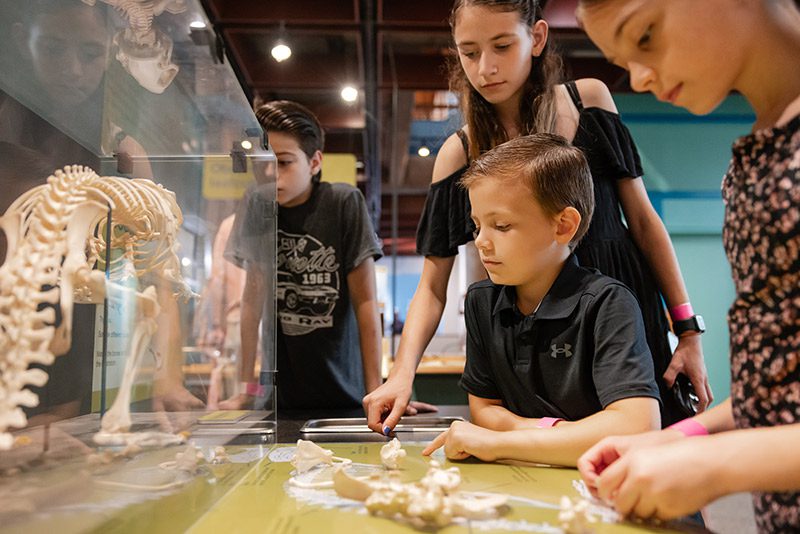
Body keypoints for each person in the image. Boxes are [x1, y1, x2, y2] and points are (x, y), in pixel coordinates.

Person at [363, 0, 710, 435]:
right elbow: (432, 284)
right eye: (469, 53)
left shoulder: (590, 101)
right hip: (532, 330)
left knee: (653, 453)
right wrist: (400, 374)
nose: (486, 67)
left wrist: (688, 330)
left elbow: (642, 221)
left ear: (538, 38)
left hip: (624, 302)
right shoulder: (459, 152)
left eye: (503, 45)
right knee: (544, 454)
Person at [573, 0, 800, 530]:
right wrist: (675, 437)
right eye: (624, 61)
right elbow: (780, 390)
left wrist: (716, 463)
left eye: (646, 36)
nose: (643, 77)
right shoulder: (756, 153)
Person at [421, 133, 661, 466]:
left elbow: (638, 426)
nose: (481, 242)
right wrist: (557, 434)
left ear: (563, 226)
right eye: (477, 226)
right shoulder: (481, 302)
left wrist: (505, 442)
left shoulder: (607, 303)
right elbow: (484, 407)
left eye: (501, 226)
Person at [222, 100, 384, 410]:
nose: (270, 173)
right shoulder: (257, 203)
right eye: (262, 160)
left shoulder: (343, 202)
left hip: (344, 396)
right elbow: (251, 302)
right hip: (278, 401)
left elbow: (366, 302)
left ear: (314, 162)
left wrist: (375, 392)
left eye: (284, 162)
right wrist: (246, 389)